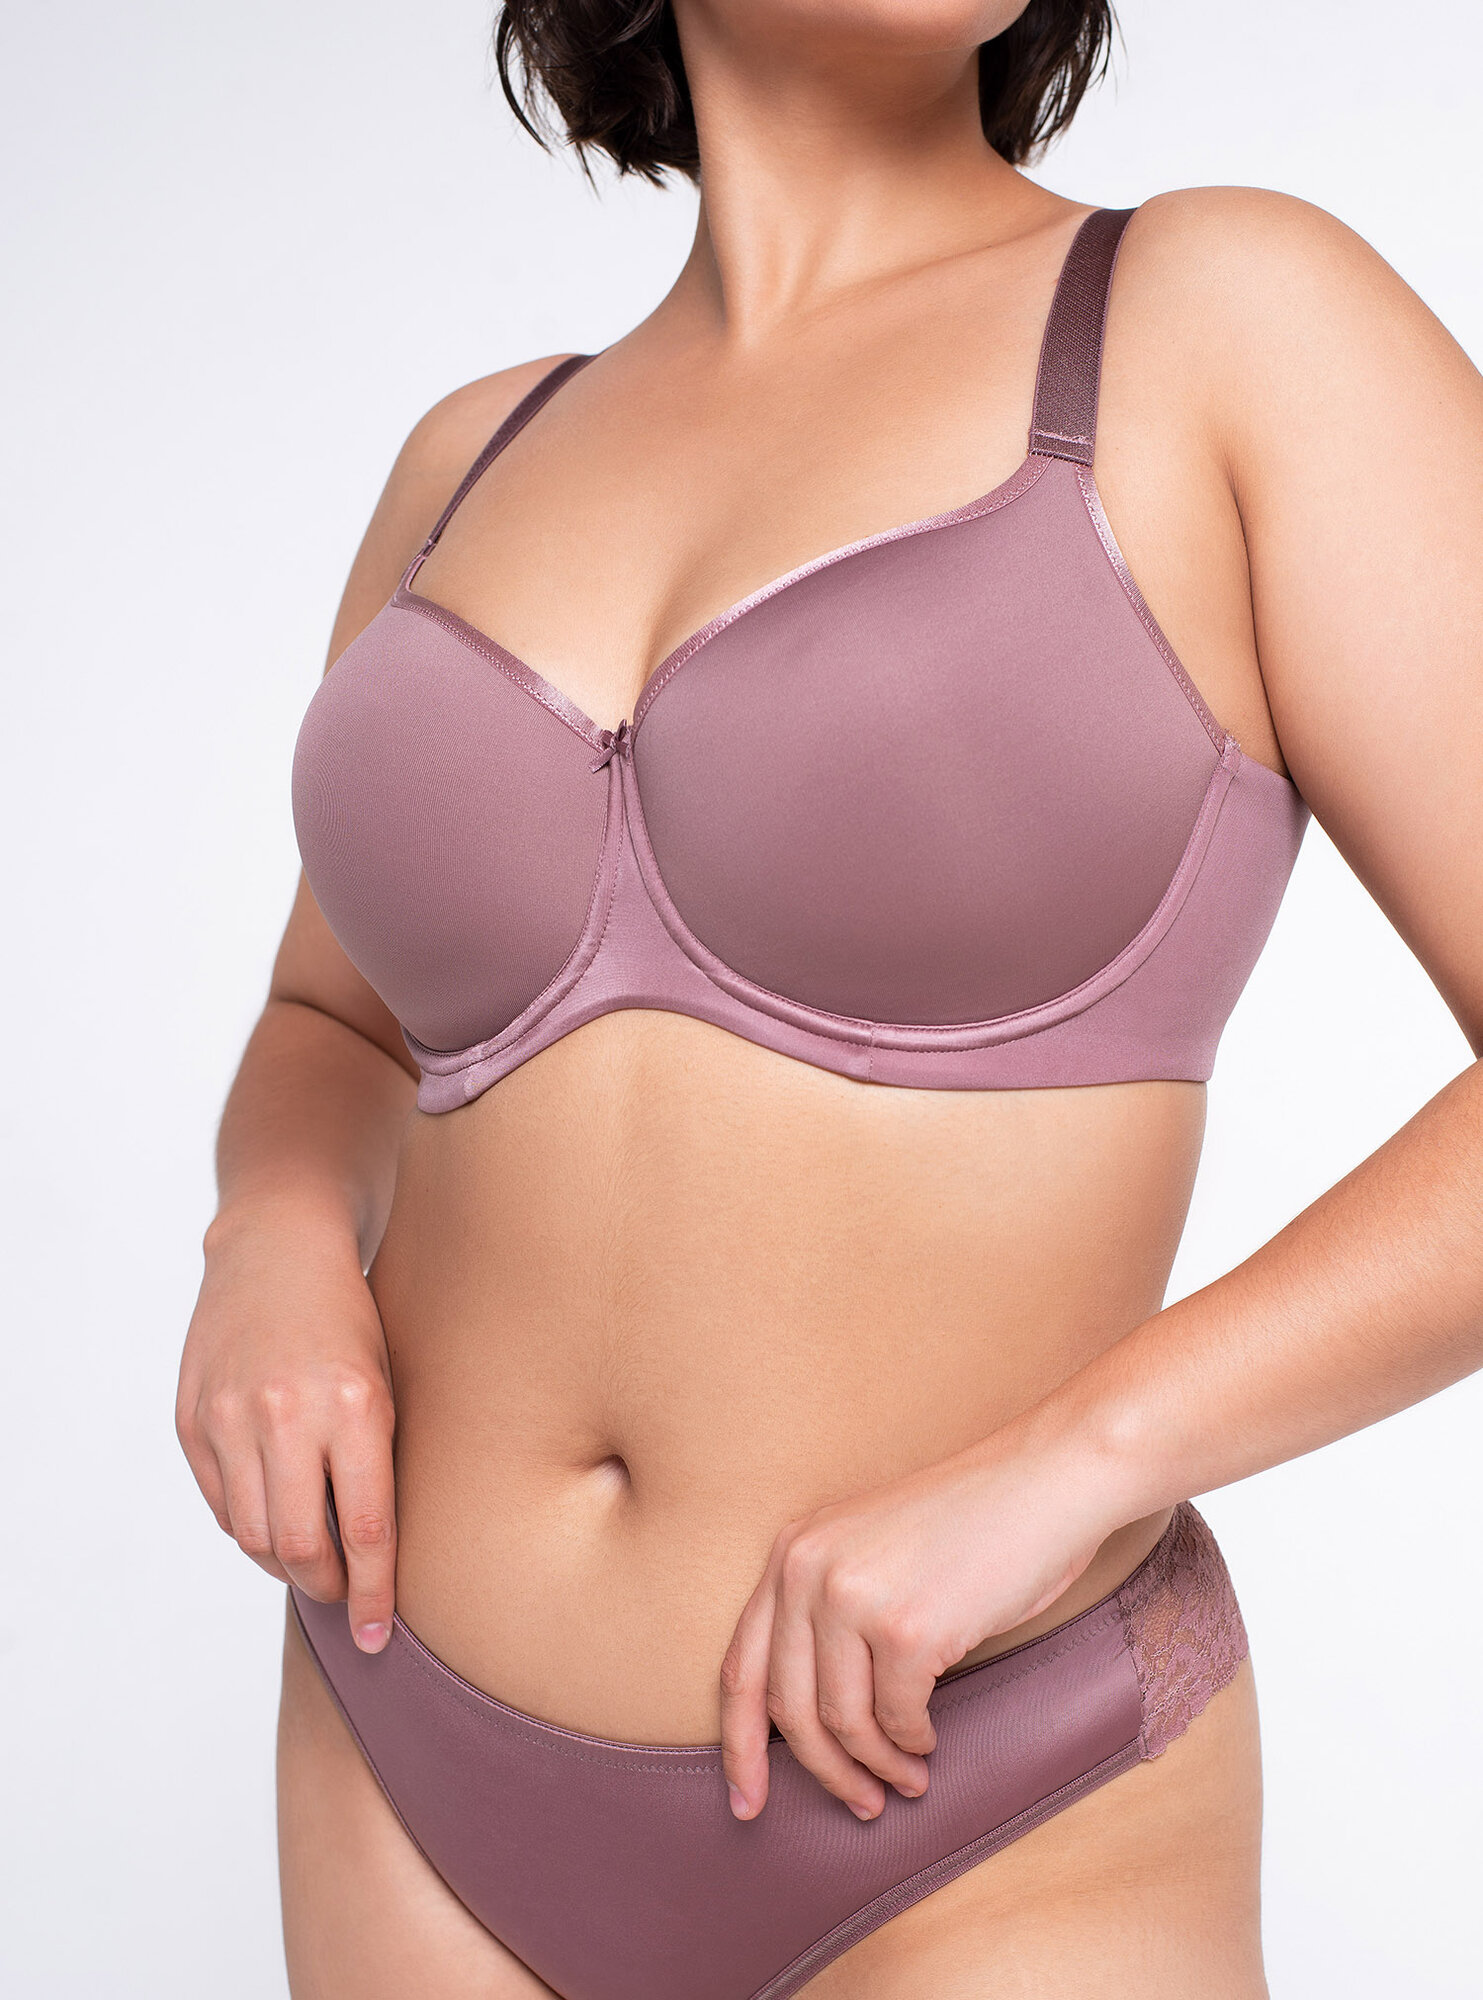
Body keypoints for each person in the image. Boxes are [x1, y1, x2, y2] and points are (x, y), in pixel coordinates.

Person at [175, 3, 1483, 1995]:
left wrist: (1078, 1461)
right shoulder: (471, 458)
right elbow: (334, 1024)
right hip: (401, 1747)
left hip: (988, 1790)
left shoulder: (1216, 322)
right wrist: (268, 1236)